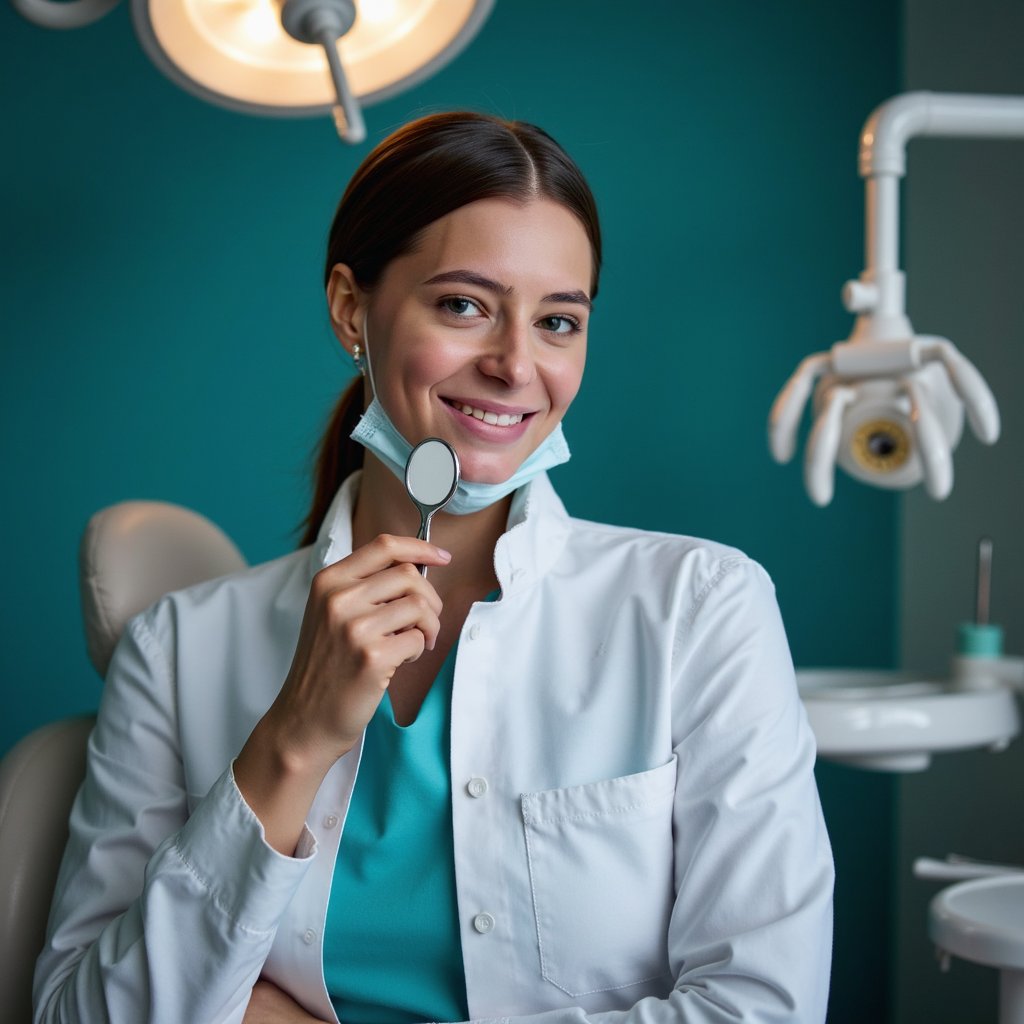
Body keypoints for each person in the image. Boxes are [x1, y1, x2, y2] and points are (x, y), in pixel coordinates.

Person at [34, 111, 834, 1024]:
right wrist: (291, 738)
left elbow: (762, 1008)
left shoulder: (701, 608)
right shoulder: (177, 649)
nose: (514, 365)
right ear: (350, 309)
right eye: (463, 305)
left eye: (559, 321)